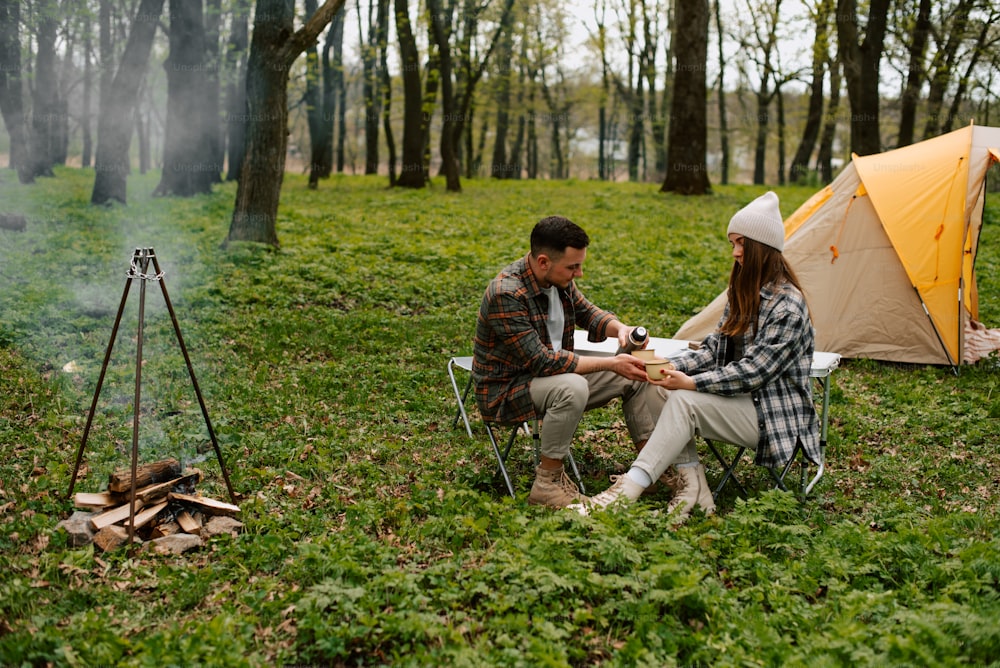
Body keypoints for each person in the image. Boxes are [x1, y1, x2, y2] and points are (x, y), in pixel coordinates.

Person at [571, 191, 821, 521]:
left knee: (684, 399)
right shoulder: (744, 293)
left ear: (762, 248)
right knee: (656, 386)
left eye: (741, 244)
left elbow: (753, 372)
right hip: (742, 405)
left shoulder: (788, 307)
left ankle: (626, 491)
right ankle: (693, 490)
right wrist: (669, 368)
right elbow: (714, 350)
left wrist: (690, 382)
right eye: (733, 243)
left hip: (775, 417)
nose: (735, 252)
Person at [472, 215, 669, 508]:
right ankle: (547, 485)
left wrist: (621, 329)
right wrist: (610, 364)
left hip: (554, 377)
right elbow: (542, 362)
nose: (579, 274)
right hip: (508, 391)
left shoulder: (557, 279)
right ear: (543, 262)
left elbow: (588, 313)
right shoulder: (507, 294)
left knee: (634, 374)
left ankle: (649, 471)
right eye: (573, 267)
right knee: (573, 386)